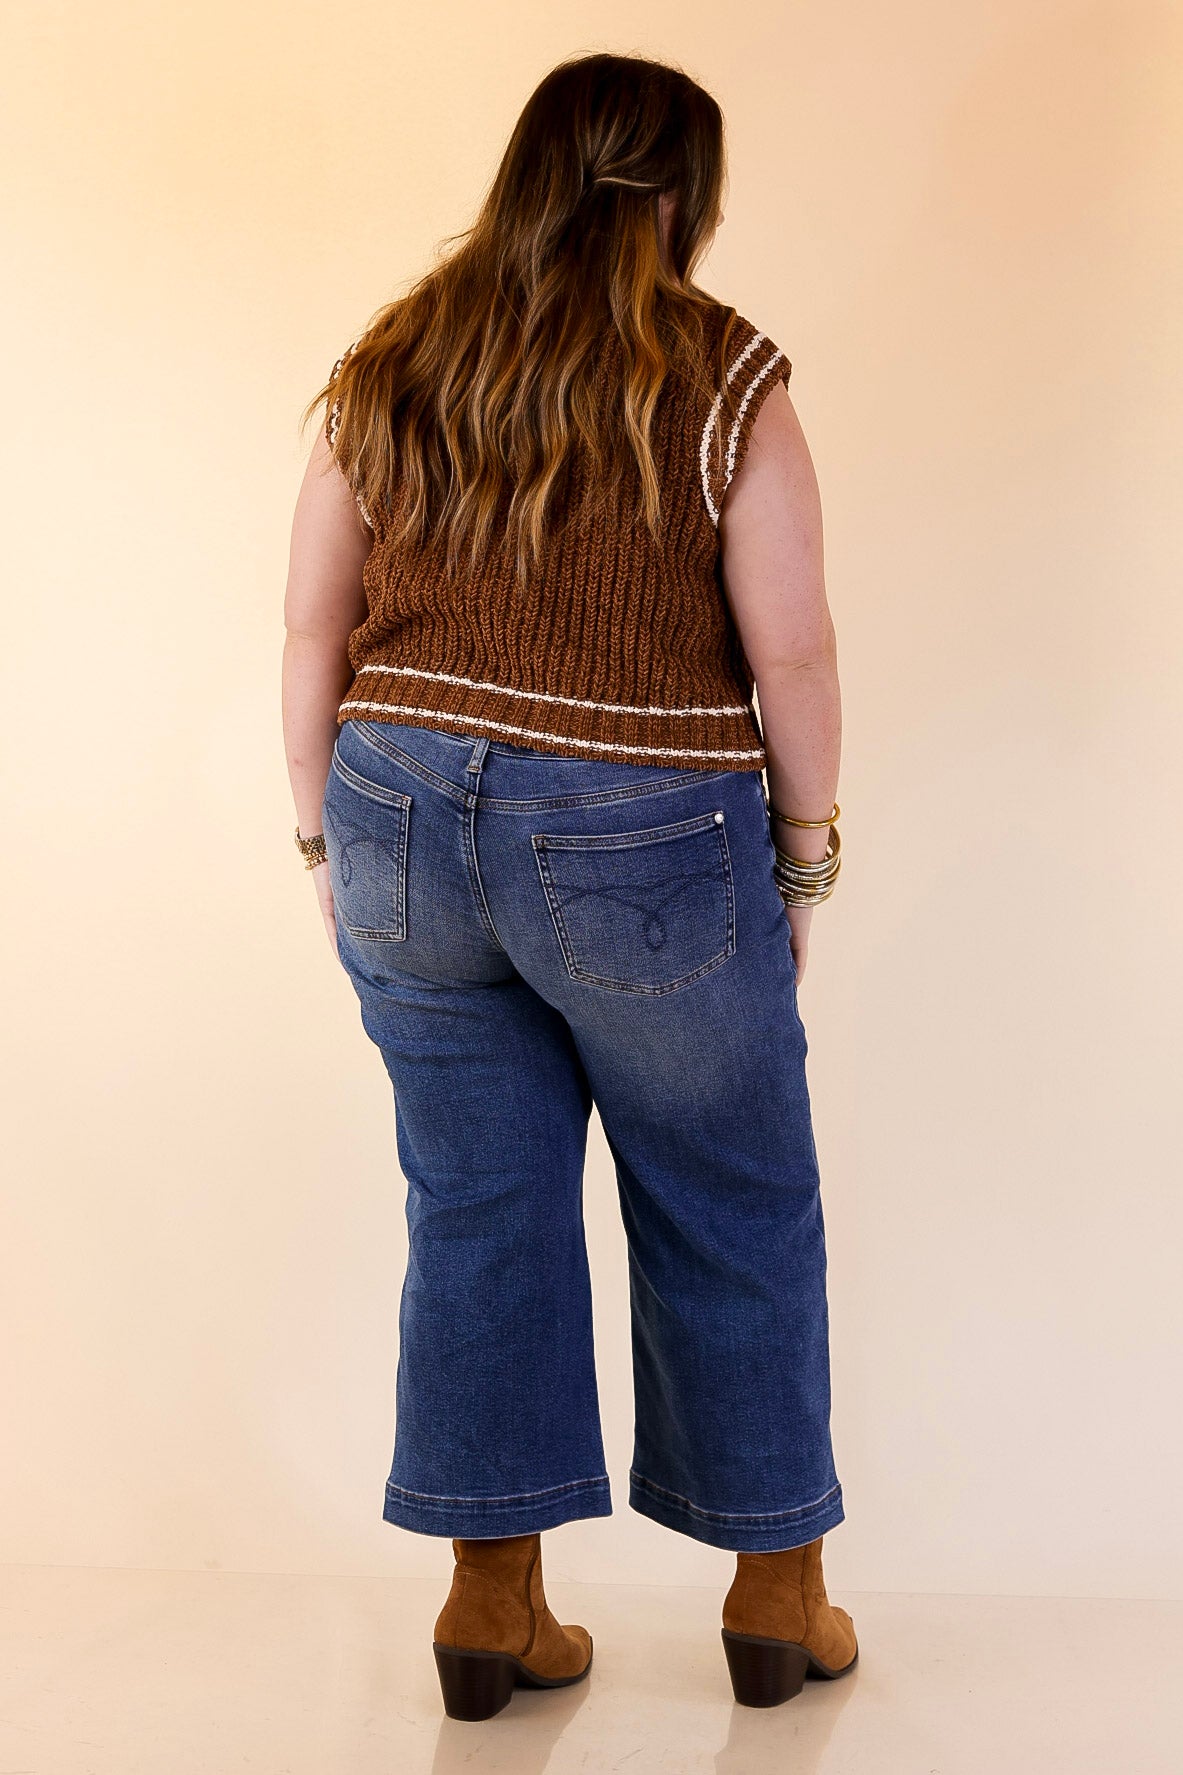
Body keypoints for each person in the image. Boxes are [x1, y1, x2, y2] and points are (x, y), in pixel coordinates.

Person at [282, 50, 857, 1720]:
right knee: (732, 1195)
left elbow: (314, 622)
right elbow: (794, 651)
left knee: (480, 1209)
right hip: (640, 831)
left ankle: (492, 1607)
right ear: (685, 194)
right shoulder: (724, 377)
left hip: (396, 808)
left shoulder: (394, 357)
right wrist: (806, 855)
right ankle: (777, 1596)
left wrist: (324, 838)